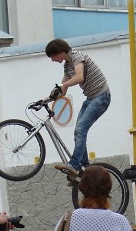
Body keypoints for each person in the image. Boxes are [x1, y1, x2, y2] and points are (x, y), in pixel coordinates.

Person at [45, 38, 111, 179]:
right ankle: (85, 166)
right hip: (91, 98)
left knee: (81, 129)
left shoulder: (77, 57)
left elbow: (79, 77)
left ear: (59, 52)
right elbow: (62, 90)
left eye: (52, 57)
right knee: (78, 131)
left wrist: (62, 86)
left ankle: (74, 164)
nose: (52, 60)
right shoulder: (67, 65)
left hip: (101, 96)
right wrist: (45, 100)